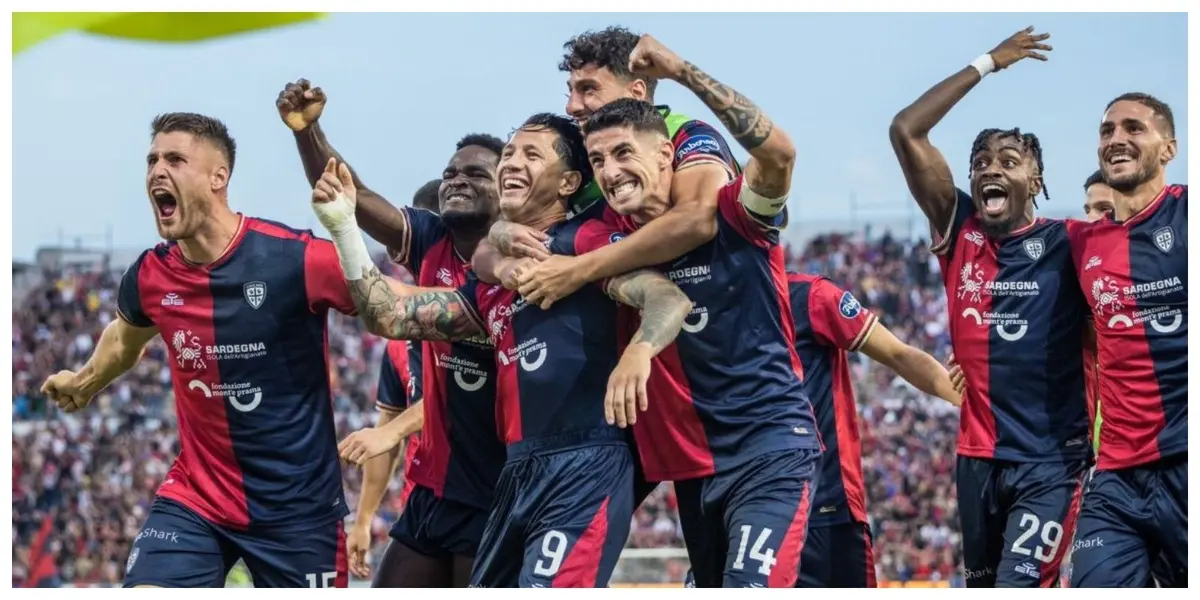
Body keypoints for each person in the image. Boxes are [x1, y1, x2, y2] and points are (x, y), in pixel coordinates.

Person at [310, 113, 693, 588]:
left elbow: (666, 298)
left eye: (532, 154)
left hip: (585, 461)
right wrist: (345, 230)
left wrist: (639, 351)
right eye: (510, 153)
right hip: (514, 473)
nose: (513, 162)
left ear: (570, 181)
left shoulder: (585, 245)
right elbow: (388, 316)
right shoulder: (492, 282)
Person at [41, 113, 358, 588]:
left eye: (174, 159)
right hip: (197, 500)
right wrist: (84, 382)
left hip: (298, 512)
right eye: (151, 160)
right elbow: (124, 339)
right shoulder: (151, 274)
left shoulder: (295, 257)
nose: (155, 171)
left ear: (218, 177)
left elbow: (386, 305)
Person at [574, 30, 817, 588]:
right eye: (598, 160)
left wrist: (681, 71)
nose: (610, 172)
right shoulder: (605, 241)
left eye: (623, 154)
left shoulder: (737, 214)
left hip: (768, 449)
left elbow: (779, 153)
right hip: (690, 466)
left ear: (666, 152)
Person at [277, 80, 505, 587]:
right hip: (431, 492)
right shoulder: (431, 238)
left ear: (508, 187)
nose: (455, 180)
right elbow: (351, 194)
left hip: (493, 493)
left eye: (474, 173)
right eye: (449, 172)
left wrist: (390, 433)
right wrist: (307, 132)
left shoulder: (516, 268)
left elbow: (385, 319)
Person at [888, 28, 1091, 587]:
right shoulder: (960, 231)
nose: (990, 169)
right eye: (981, 161)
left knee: (1018, 586)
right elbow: (906, 130)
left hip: (1052, 460)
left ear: (1037, 180)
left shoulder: (1070, 242)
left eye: (1009, 160)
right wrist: (986, 64)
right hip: (976, 457)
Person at [476, 26, 740, 309]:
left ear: (636, 91)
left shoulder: (688, 136)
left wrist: (579, 270)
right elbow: (485, 252)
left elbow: (696, 220)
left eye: (588, 89)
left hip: (732, 320)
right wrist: (500, 232)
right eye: (570, 91)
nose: (571, 106)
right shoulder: (584, 159)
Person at [1065, 93, 1186, 588]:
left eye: (1134, 128)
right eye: (1107, 130)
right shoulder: (1078, 243)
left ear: (1168, 149)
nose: (1116, 138)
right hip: (1115, 477)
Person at [786, 273, 961, 588]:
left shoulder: (810, 297)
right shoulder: (712, 307)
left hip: (826, 509)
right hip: (747, 507)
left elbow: (899, 355)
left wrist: (973, 401)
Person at [341, 182, 439, 583]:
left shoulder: (485, 308)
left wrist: (391, 432)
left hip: (487, 500)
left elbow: (456, 400)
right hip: (422, 505)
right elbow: (388, 430)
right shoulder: (400, 339)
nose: (404, 251)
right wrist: (363, 518)